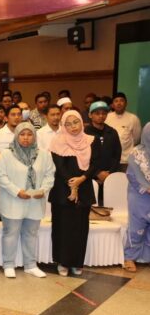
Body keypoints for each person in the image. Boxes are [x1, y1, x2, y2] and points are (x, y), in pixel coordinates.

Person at [0, 123, 55, 278]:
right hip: (12, 201)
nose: (26, 138)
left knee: (31, 233)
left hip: (35, 201)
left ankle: (30, 265)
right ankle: (8, 264)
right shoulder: (6, 154)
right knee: (11, 233)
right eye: (22, 134)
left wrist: (44, 190)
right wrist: (17, 191)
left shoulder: (44, 154)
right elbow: (1, 177)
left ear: (34, 136)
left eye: (29, 134)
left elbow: (50, 174)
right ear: (16, 136)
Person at [48, 111, 99, 277]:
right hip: (62, 190)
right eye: (68, 124)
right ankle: (62, 262)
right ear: (63, 125)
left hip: (84, 189)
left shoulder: (92, 140)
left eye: (76, 122)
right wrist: (72, 183)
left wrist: (81, 179)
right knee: (62, 227)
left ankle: (77, 262)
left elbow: (96, 164)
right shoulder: (57, 142)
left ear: (82, 122)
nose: (73, 127)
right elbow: (59, 166)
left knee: (80, 228)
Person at [123, 123, 150, 273]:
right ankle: (130, 257)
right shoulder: (136, 153)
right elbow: (131, 175)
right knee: (136, 228)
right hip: (140, 196)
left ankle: (147, 257)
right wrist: (146, 187)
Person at [84, 101, 122, 206]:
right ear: (90, 115)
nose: (101, 116)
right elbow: (83, 156)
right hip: (90, 177)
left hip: (110, 176)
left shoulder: (112, 132)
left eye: (104, 113)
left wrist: (109, 173)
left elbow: (117, 155)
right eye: (97, 113)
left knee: (109, 204)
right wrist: (97, 173)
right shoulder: (85, 132)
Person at [106, 92, 141, 171]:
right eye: (116, 101)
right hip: (110, 160)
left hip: (126, 160)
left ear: (126, 103)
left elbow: (137, 139)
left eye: (121, 101)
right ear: (112, 104)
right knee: (110, 182)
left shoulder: (133, 118)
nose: (119, 103)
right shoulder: (107, 117)